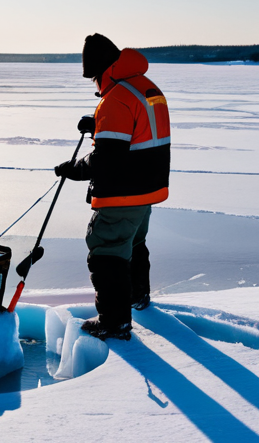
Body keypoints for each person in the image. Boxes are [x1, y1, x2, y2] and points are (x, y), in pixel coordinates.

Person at [55, 34, 171, 340]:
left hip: (124, 191)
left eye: (94, 78)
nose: (95, 86)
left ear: (102, 71)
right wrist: (98, 126)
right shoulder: (144, 87)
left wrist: (74, 169)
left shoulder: (115, 99)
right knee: (132, 243)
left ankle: (114, 321)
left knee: (106, 249)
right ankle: (137, 296)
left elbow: (107, 159)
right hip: (146, 188)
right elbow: (136, 131)